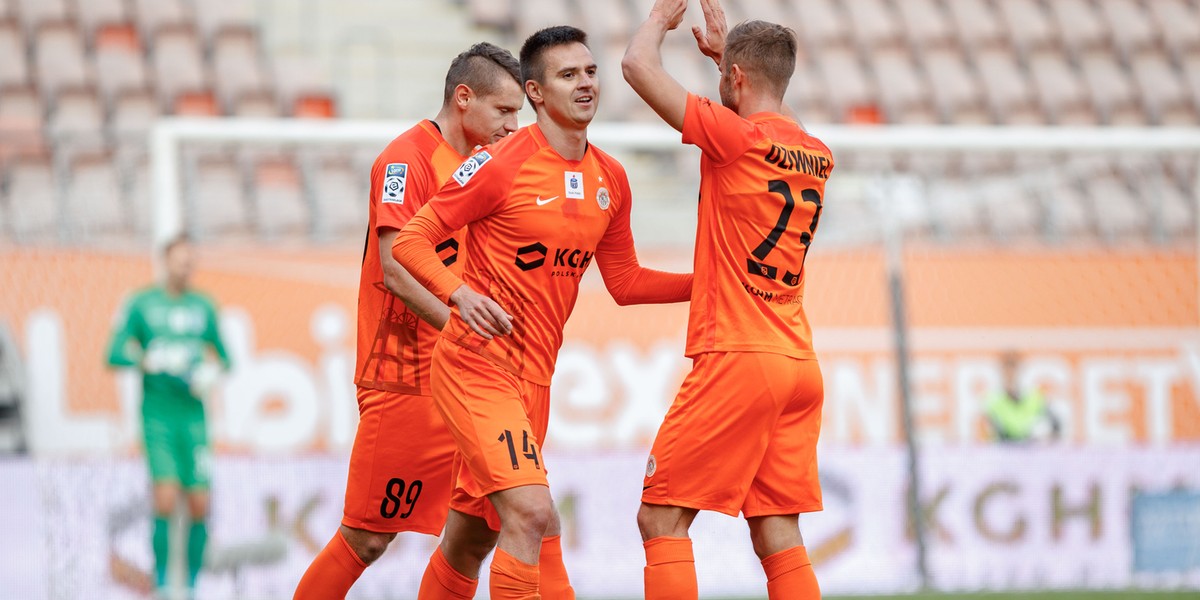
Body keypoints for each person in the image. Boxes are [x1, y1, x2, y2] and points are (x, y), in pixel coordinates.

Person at [393, 25, 693, 599]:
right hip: (477, 365)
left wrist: (711, 284)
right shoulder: (500, 162)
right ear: (534, 92)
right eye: (567, 75)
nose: (585, 84)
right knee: (532, 512)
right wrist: (459, 294)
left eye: (590, 72)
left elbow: (626, 282)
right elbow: (411, 240)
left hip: (536, 380)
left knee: (472, 538)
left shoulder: (612, 177)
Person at [292, 42, 525, 599]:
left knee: (482, 530)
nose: (513, 126)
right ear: (464, 98)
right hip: (406, 374)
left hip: (467, 375)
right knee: (368, 537)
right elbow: (396, 269)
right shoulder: (406, 160)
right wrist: (465, 330)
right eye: (503, 111)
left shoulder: (483, 166)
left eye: (518, 113)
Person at [622, 0, 834, 598]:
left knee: (661, 517)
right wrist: (726, 60)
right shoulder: (818, 153)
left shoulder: (733, 138)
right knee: (777, 530)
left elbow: (637, 67)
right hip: (798, 362)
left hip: (740, 356)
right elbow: (778, 109)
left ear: (737, 78)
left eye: (727, 75)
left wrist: (659, 20)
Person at [106, 234, 231, 600]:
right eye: (180, 259)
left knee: (199, 503)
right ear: (165, 261)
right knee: (164, 497)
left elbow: (226, 357)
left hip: (194, 419)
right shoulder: (142, 304)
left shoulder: (204, 306)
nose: (186, 266)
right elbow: (113, 353)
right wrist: (147, 359)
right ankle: (163, 586)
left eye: (191, 260)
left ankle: (190, 587)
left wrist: (211, 372)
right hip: (158, 418)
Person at [985, 350, 1061, 443]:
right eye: (1006, 367)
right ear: (1001, 371)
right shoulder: (992, 402)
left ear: (1020, 370)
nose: (1010, 373)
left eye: (1013, 367)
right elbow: (986, 433)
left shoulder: (1034, 399)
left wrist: (1044, 439)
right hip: (1002, 449)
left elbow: (1056, 426)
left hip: (1031, 449)